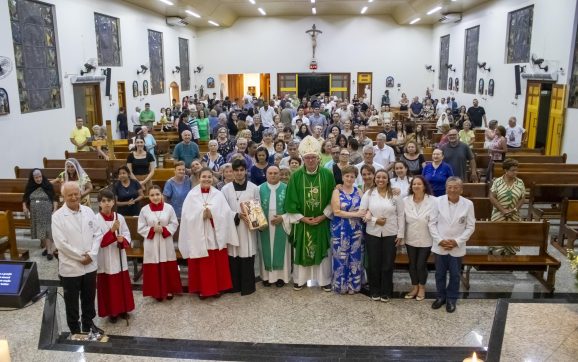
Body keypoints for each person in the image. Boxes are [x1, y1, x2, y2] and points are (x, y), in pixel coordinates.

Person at [52, 182, 104, 335]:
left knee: (89, 298)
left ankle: (88, 324)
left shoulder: (88, 211)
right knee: (72, 301)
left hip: (90, 264)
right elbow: (61, 243)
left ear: (80, 194)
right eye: (70, 195)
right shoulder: (57, 217)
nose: (74, 197)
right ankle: (75, 329)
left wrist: (92, 255)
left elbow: (97, 234)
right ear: (63, 197)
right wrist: (81, 257)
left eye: (76, 193)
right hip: (71, 266)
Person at [285, 136, 336, 291]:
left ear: (318, 158)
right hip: (303, 223)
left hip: (322, 221)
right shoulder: (295, 176)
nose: (311, 160)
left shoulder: (327, 175)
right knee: (302, 249)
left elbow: (333, 199)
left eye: (313, 157)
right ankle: (300, 280)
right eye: (307, 158)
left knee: (322, 250)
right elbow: (290, 201)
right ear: (303, 159)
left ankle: (324, 280)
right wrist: (303, 218)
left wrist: (323, 216)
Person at [178, 168, 239, 298]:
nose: (206, 179)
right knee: (202, 263)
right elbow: (186, 216)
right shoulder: (191, 195)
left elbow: (226, 214)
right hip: (198, 235)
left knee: (215, 262)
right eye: (204, 177)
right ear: (199, 178)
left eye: (209, 177)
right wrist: (200, 215)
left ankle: (217, 288)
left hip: (214, 234)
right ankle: (202, 289)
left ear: (213, 178)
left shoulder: (218, 194)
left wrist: (213, 214)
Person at [428, 177, 475, 313]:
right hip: (440, 245)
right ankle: (441, 297)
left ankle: (452, 299)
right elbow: (432, 223)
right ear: (446, 187)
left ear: (461, 189)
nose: (452, 190)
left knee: (455, 274)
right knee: (439, 274)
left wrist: (457, 241)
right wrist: (440, 240)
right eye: (450, 187)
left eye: (456, 187)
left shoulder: (468, 204)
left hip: (457, 246)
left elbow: (470, 226)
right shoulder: (437, 201)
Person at [360, 169, 405, 302]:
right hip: (372, 233)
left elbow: (401, 214)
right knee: (373, 263)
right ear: (374, 179)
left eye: (384, 177)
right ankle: (375, 290)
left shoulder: (395, 195)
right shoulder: (369, 194)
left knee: (387, 264)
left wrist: (401, 234)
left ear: (388, 179)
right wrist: (374, 220)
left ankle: (386, 291)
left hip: (391, 233)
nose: (381, 180)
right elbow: (362, 212)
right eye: (378, 177)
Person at [95, 190, 135, 323]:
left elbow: (127, 234)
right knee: (109, 285)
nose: (106, 204)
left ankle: (124, 309)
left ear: (113, 202)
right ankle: (112, 312)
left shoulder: (120, 217)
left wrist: (122, 239)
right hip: (105, 257)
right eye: (103, 201)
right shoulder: (96, 219)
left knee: (121, 283)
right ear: (99, 203)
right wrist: (112, 231)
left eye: (109, 201)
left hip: (118, 256)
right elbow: (98, 241)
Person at [221, 159, 260, 295]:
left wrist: (252, 218)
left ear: (245, 171)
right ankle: (235, 286)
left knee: (247, 253)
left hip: (248, 229)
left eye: (241, 170)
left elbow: (257, 207)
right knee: (234, 254)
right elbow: (223, 209)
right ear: (232, 172)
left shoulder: (254, 188)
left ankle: (248, 286)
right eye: (236, 170)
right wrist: (237, 215)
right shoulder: (225, 189)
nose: (239, 173)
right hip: (234, 227)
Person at [138, 185, 182, 301]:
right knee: (154, 265)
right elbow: (141, 227)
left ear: (161, 195)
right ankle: (156, 291)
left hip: (165, 240)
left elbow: (174, 223)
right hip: (151, 242)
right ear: (149, 196)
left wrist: (164, 229)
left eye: (157, 194)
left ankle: (168, 290)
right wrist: (152, 230)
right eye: (152, 195)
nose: (155, 197)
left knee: (167, 264)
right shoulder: (144, 210)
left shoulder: (169, 208)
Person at [330, 165, 364, 294]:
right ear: (343, 177)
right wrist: (355, 214)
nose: (349, 178)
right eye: (347, 176)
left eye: (352, 176)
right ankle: (340, 286)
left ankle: (353, 286)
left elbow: (364, 209)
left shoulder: (359, 191)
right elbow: (336, 211)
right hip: (341, 229)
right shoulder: (337, 191)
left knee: (355, 257)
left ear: (355, 178)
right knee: (340, 257)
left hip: (356, 230)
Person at [258, 166, 291, 287]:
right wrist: (259, 222)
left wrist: (282, 217)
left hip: (281, 224)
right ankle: (266, 277)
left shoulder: (287, 188)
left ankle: (281, 277)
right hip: (265, 225)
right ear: (266, 174)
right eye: (270, 173)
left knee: (281, 250)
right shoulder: (259, 188)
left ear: (280, 174)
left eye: (275, 173)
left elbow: (293, 209)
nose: (273, 175)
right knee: (264, 250)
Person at [403, 176, 434, 301]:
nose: (416, 186)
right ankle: (414, 286)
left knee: (421, 264)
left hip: (426, 237)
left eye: (419, 184)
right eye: (414, 184)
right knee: (412, 264)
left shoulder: (433, 201)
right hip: (410, 237)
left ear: (424, 186)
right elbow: (401, 218)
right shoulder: (405, 200)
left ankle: (422, 287)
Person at [488, 159, 525, 256]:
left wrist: (515, 209)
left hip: (514, 214)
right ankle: (497, 254)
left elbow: (522, 198)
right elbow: (492, 196)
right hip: (498, 213)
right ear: (506, 170)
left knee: (512, 235)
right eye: (513, 170)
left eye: (516, 170)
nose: (515, 172)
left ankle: (510, 256)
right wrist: (503, 210)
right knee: (498, 234)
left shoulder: (520, 182)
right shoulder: (497, 182)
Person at [22, 169, 58, 260]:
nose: (38, 179)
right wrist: (25, 207)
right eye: (36, 177)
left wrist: (55, 209)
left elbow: (54, 198)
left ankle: (50, 251)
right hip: (35, 213)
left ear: (42, 176)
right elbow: (25, 198)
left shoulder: (47, 185)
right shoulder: (30, 187)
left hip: (46, 211)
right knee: (40, 231)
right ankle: (47, 248)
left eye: (40, 177)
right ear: (32, 178)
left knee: (46, 230)